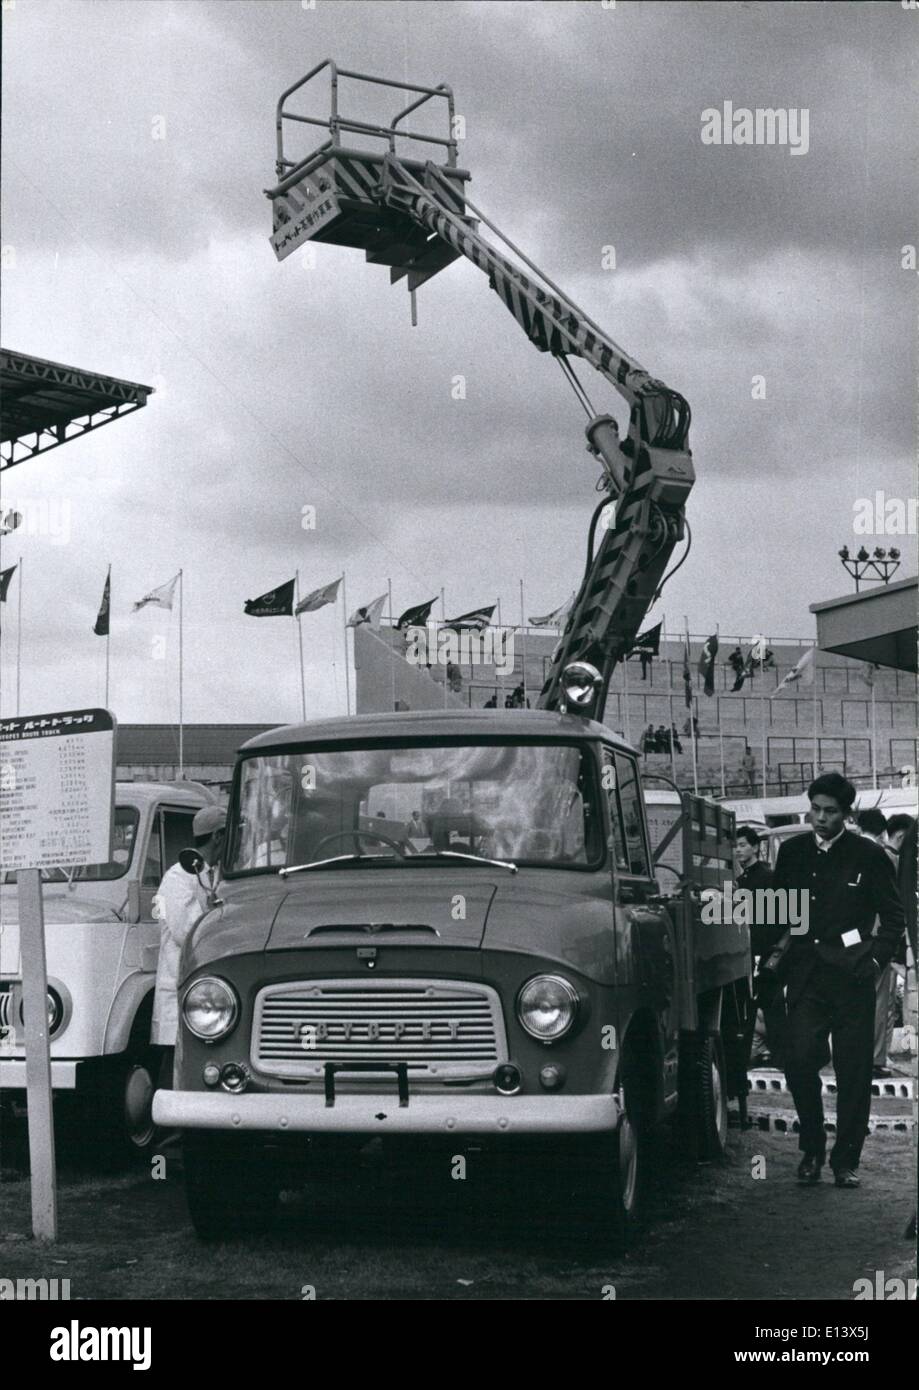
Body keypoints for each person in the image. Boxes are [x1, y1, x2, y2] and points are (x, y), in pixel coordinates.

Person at [774, 772, 906, 1189]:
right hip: (806, 976)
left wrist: (874, 962)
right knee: (797, 1060)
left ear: (846, 815)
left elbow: (894, 918)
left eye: (830, 811)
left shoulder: (867, 855)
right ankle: (812, 1146)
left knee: (853, 1073)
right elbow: (778, 912)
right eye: (815, 809)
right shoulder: (792, 853)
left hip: (852, 978)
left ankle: (845, 1161)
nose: (820, 818)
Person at [151, 805, 227, 1082]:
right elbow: (190, 933)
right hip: (180, 992)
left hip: (208, 999)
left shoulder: (215, 875)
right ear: (218, 837)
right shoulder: (176, 879)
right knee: (173, 1077)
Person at [736, 825, 785, 1069]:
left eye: (743, 845)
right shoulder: (739, 879)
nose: (738, 850)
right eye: (736, 846)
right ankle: (760, 1051)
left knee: (771, 1004)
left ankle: (780, 1054)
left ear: (755, 847)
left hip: (765, 948)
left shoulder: (767, 876)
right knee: (753, 1005)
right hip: (749, 948)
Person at [857, 808, 900, 1076]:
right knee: (879, 1002)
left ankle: (860, 1058)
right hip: (878, 939)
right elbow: (891, 907)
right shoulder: (883, 856)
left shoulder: (847, 851)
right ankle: (874, 1060)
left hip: (851, 941)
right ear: (884, 831)